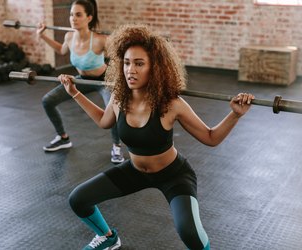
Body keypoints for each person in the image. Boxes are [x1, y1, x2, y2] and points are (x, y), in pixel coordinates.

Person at [59, 24, 255, 250]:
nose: (130, 70)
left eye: (139, 64)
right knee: (78, 199)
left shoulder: (171, 104)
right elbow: (104, 121)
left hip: (173, 175)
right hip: (135, 171)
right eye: (127, 63)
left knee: (189, 232)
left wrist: (235, 114)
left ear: (155, 68)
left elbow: (211, 137)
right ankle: (108, 237)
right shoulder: (120, 97)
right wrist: (75, 93)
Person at [37, 0, 124, 164]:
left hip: (104, 80)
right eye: (71, 14)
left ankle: (117, 146)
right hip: (82, 80)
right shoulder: (69, 36)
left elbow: (119, 58)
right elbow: (61, 50)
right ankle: (63, 138)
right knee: (48, 100)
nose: (73, 19)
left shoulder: (100, 40)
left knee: (112, 112)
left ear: (89, 17)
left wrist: (118, 79)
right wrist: (42, 35)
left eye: (78, 15)